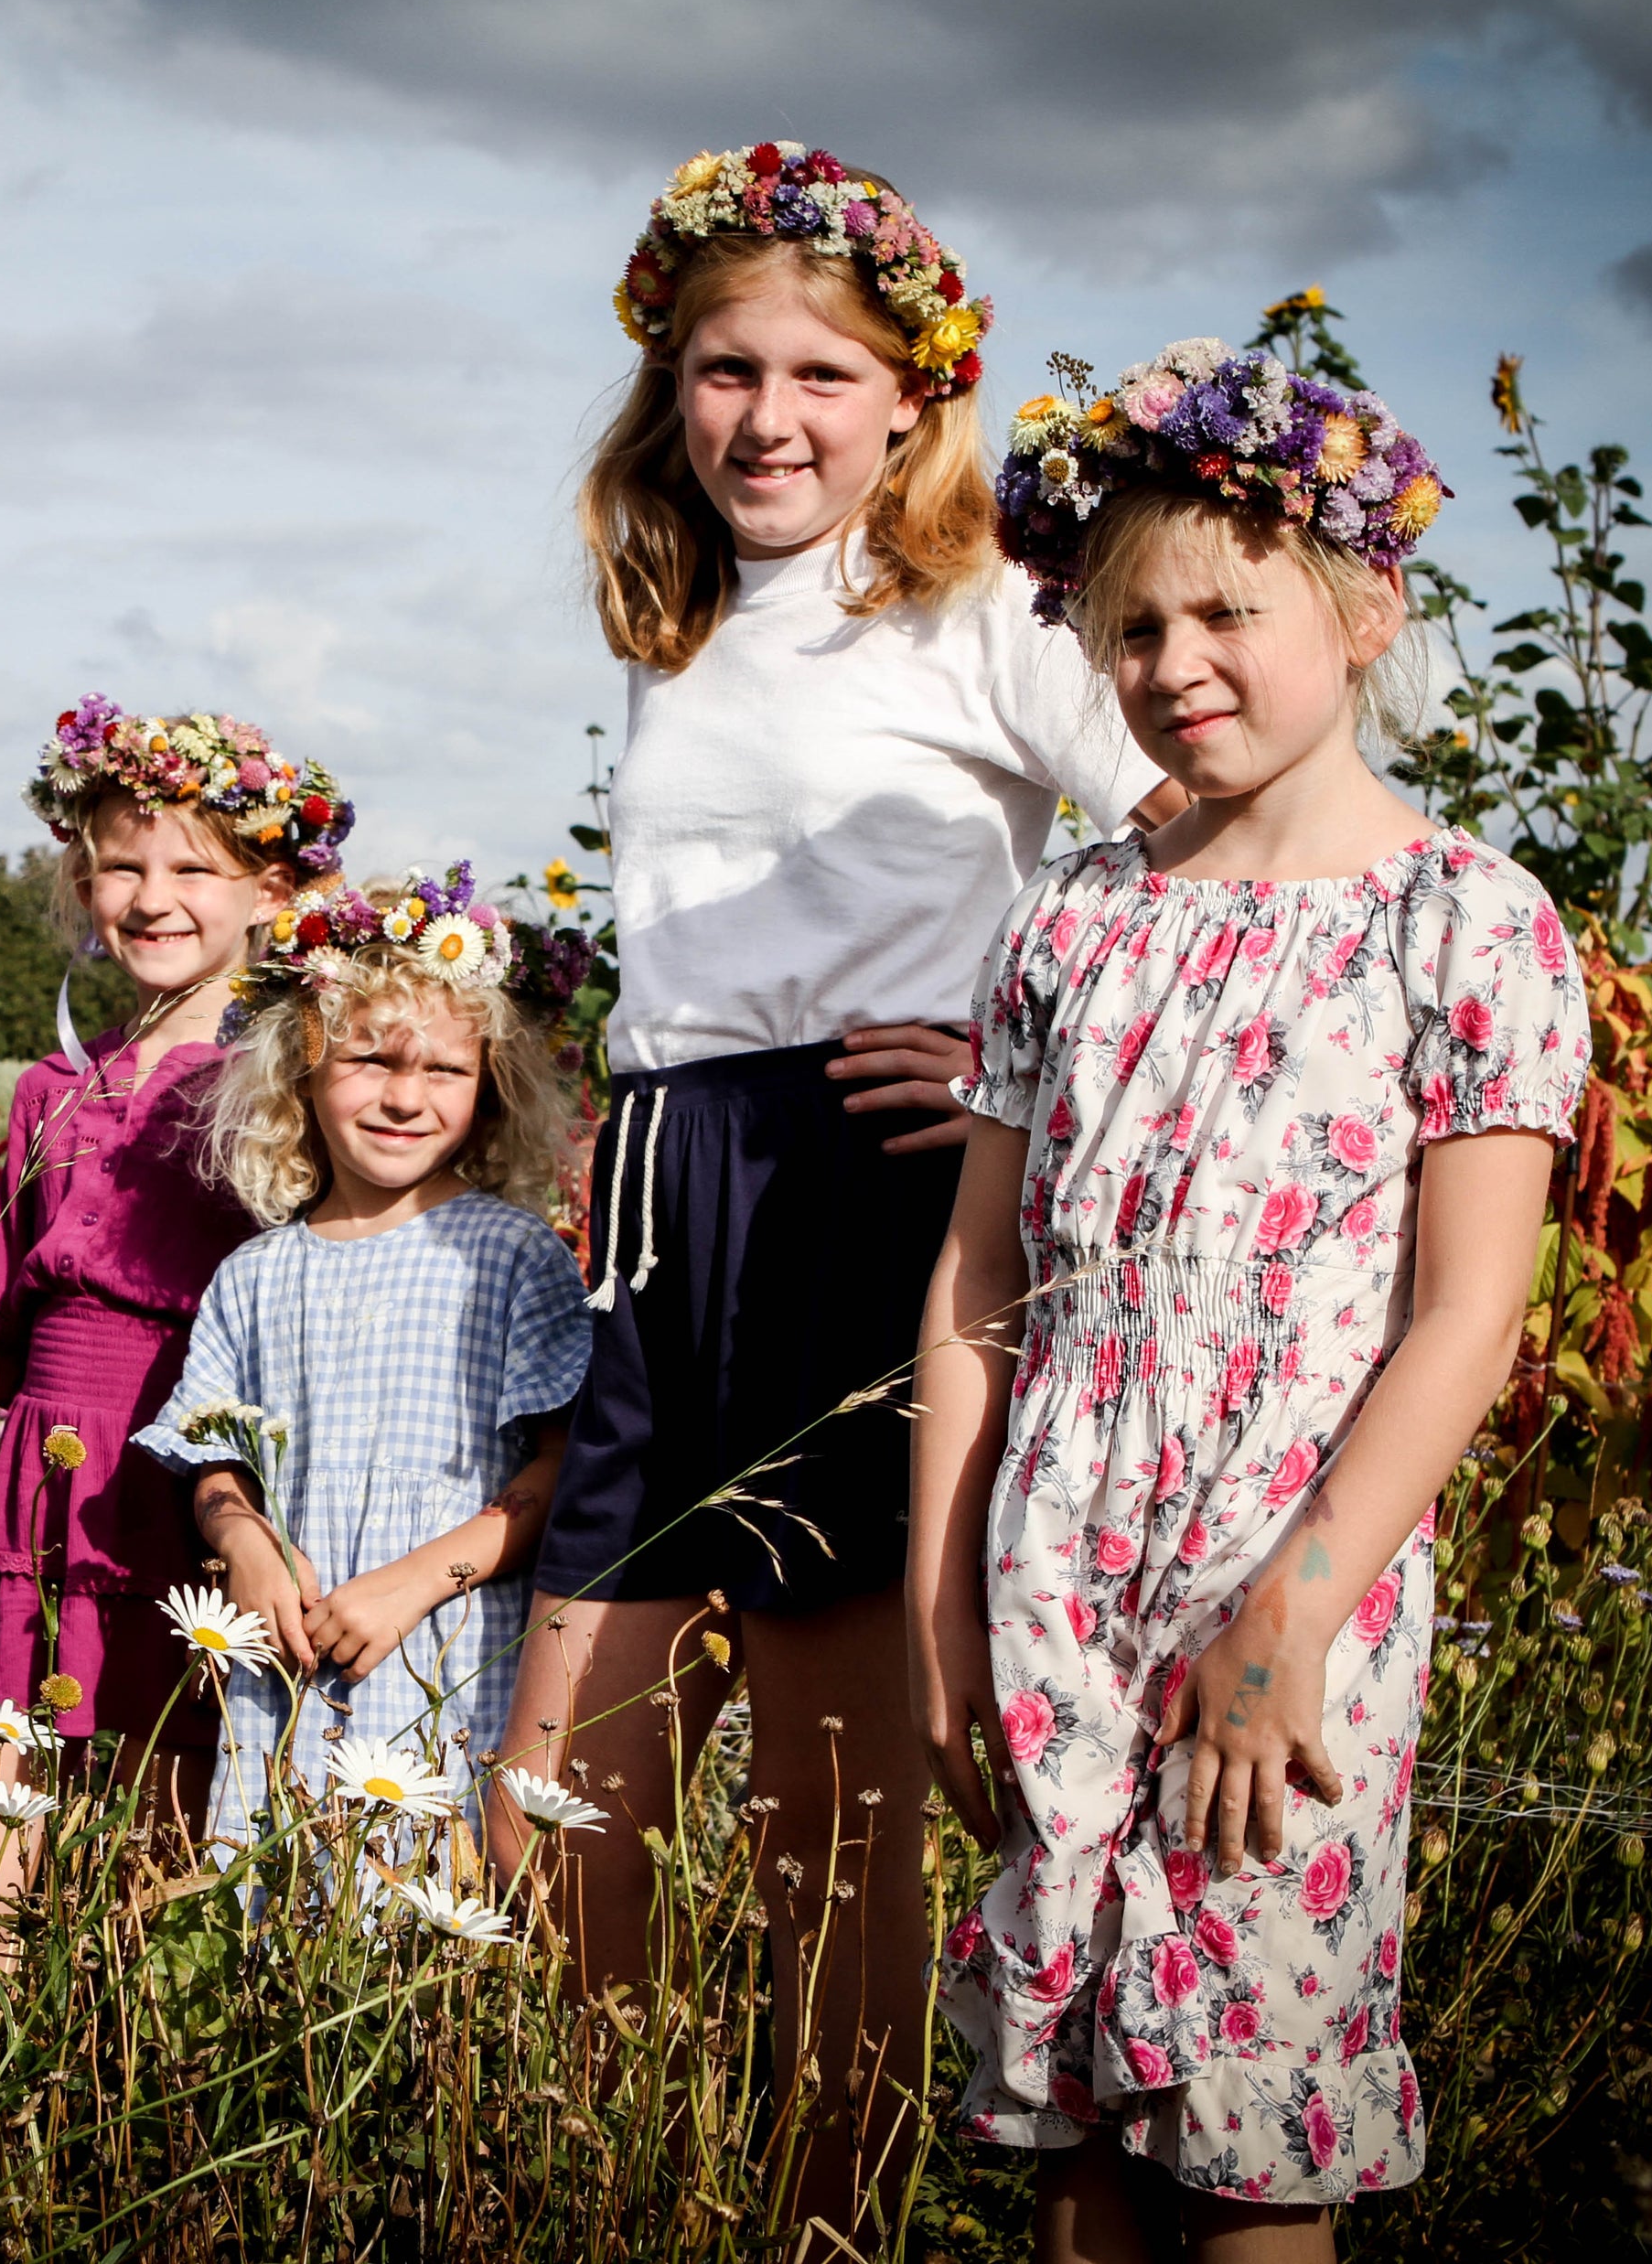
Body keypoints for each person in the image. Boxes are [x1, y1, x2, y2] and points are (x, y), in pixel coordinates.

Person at [496, 139, 1179, 2202]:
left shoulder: (982, 606)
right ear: (664, 383)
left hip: (852, 1178)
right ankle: (593, 2178)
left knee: (823, 1799)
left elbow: (1194, 824)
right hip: (663, 1176)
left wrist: (1010, 1053)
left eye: (817, 374)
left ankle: (826, 2203)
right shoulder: (685, 608)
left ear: (910, 395)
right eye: (722, 371)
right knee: (555, 1785)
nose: (766, 418)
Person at [913, 341, 1582, 2256]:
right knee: (1079, 2142)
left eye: (1226, 609)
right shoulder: (1075, 919)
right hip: (1060, 1567)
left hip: (1288, 1572)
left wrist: (1292, 1611)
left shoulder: (1463, 918)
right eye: (1128, 628)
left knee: (1246, 2126)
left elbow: (1467, 1312)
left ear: (1365, 604)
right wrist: (941, 1599)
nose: (1174, 663)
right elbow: (977, 1282)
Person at [0, 696, 346, 1855]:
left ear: (271, 889)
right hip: (50, 1468)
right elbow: (5, 1300)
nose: (152, 897)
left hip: (195, 1467)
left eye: (194, 869)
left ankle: (124, 2033)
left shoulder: (289, 1083)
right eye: (120, 866)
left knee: (170, 1801)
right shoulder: (52, 1088)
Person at [137, 868, 595, 1853]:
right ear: (301, 1069)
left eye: (444, 1072)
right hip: (290, 1666)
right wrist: (246, 1542)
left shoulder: (515, 1256)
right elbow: (208, 1458)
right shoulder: (257, 1274)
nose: (404, 1096)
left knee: (429, 1907)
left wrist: (412, 1581)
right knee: (282, 1915)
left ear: (491, 1089)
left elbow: (559, 1467)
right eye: (370, 1061)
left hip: (448, 1647)